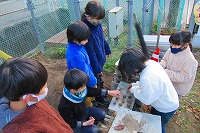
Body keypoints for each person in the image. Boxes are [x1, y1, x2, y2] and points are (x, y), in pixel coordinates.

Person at [0, 57, 73, 133]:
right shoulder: (22, 129)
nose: (46, 85)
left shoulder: (29, 97)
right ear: (27, 98)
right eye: (42, 86)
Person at [118, 48, 179, 133]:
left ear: (133, 66)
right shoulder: (151, 64)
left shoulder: (147, 77)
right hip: (168, 99)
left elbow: (147, 99)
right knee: (157, 120)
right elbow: (151, 86)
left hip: (165, 107)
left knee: (158, 126)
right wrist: (136, 84)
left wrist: (133, 89)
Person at [58, 68, 120, 133]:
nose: (85, 88)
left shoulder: (78, 90)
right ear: (73, 90)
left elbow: (91, 91)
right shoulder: (64, 105)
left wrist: (108, 92)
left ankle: (90, 122)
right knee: (95, 130)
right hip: (75, 122)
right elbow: (69, 122)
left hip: (84, 111)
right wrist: (84, 124)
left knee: (103, 114)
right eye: (83, 87)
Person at [81, 1, 111, 106]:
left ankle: (99, 96)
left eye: (101, 19)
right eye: (97, 18)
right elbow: (91, 53)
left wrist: (107, 49)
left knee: (98, 80)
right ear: (88, 16)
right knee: (96, 81)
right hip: (93, 64)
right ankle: (99, 98)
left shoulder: (97, 24)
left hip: (99, 60)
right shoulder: (85, 30)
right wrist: (97, 69)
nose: (99, 21)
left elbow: (102, 38)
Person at [66, 20, 97, 107]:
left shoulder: (75, 45)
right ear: (75, 40)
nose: (87, 41)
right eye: (85, 39)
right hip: (83, 82)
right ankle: (89, 108)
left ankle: (91, 103)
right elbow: (84, 74)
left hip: (84, 77)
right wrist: (93, 82)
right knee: (86, 97)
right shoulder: (77, 56)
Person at [160, 30, 198, 99]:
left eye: (176, 45)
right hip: (168, 83)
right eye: (171, 44)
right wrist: (161, 65)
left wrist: (165, 72)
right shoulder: (171, 50)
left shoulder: (190, 60)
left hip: (177, 89)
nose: (172, 47)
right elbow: (165, 60)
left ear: (185, 45)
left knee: (170, 104)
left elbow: (184, 77)